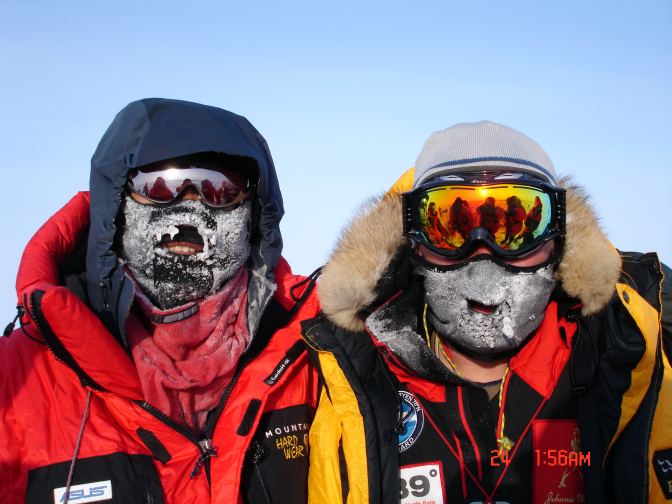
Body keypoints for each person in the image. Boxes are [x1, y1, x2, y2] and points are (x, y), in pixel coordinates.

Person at [304, 121, 672, 503]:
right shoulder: (359, 374)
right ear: (414, 242)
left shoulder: (619, 360)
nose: (483, 252)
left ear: (559, 240)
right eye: (450, 225)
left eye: (517, 225)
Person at [0, 98, 320, 504]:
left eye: (219, 190)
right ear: (115, 207)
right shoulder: (15, 382)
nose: (189, 212)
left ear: (256, 216)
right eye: (159, 188)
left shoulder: (316, 358)